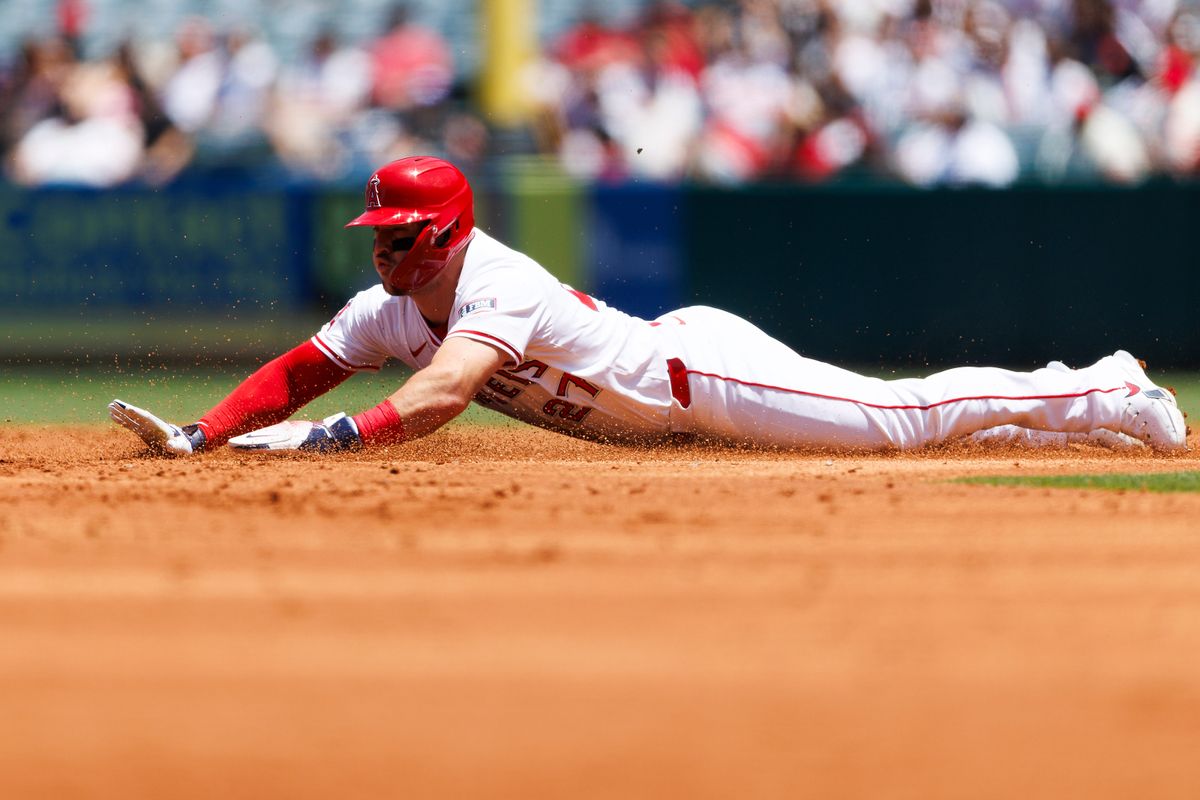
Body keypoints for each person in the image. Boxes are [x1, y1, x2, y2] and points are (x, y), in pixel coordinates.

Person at [108, 156, 1188, 456]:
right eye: (376, 237)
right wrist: (207, 431)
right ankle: (1076, 399)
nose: (380, 251)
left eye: (394, 237)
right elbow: (303, 367)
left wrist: (335, 439)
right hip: (670, 416)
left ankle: (1097, 384)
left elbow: (439, 397)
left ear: (439, 235)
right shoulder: (392, 303)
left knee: (894, 421)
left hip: (694, 374)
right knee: (890, 426)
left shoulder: (494, 280)